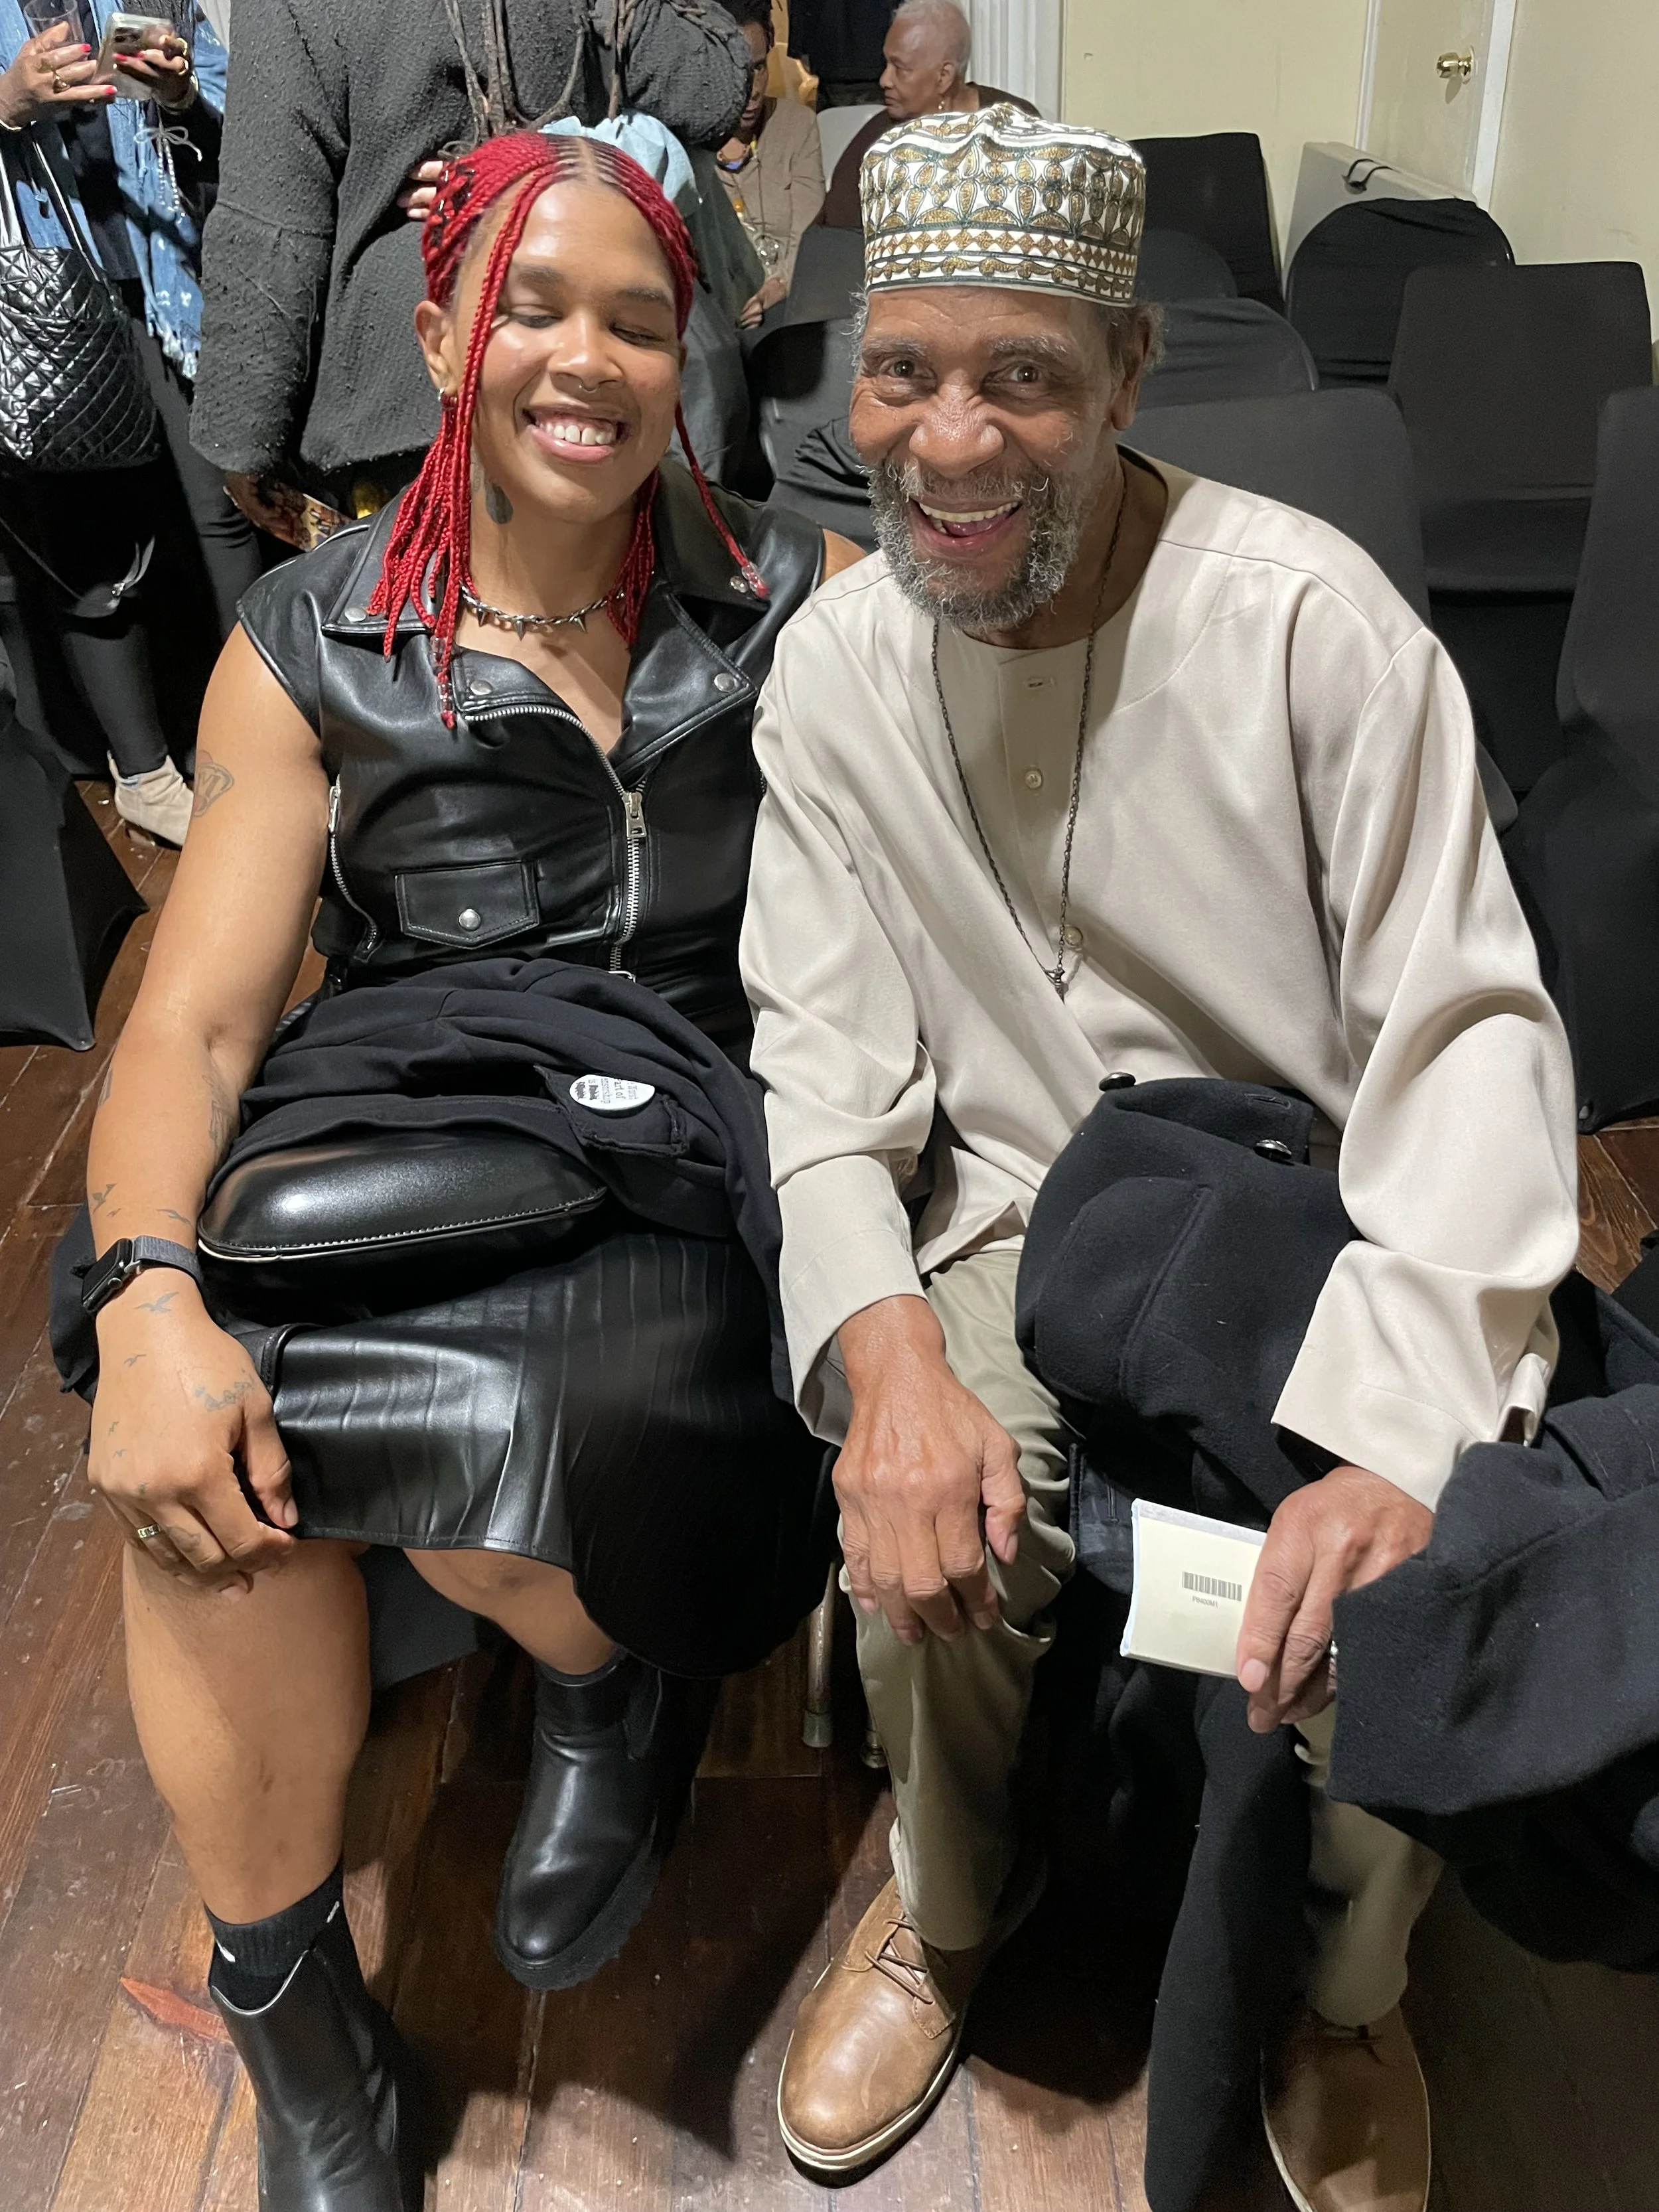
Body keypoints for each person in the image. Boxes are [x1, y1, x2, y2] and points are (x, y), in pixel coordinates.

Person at [741, 104, 1579, 2211]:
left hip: (1322, 1219)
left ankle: (1345, 1985)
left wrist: (1398, 1429)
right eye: (904, 371)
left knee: (1401, 1562)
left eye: (1019, 376)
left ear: (1124, 378)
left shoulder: (1308, 626)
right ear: (851, 384)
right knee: (931, 1491)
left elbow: (1464, 1039)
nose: (946, 440)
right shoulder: (829, 677)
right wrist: (881, 1350)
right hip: (1022, 1217)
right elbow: (821, 1077)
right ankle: (944, 1903)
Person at [79, 127, 862, 2205]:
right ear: (440, 330)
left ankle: (606, 1684)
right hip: (406, 1097)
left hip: (688, 1116)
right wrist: (148, 1290)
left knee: (563, 1421)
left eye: (634, 315)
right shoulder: (316, 636)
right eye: (531, 303)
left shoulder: (791, 602)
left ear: (686, 355)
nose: (581, 356)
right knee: (205, 1456)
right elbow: (199, 1019)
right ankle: (291, 2010)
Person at [190, 0, 757, 545]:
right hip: (584, 369)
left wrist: (244, 441)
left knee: (419, 625)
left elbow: (270, 227)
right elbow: (712, 90)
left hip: (405, 394)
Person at [0, 1, 258, 844]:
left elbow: (231, 109)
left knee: (225, 515)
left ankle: (268, 740)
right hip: (45, 306)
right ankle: (145, 774)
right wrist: (8, 102)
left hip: (170, 292)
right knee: (93, 549)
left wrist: (181, 91)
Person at [819, 0, 1035, 230]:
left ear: (944, 76)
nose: (884, 80)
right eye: (886, 63)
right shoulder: (878, 138)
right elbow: (839, 233)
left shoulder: (1014, 126)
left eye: (899, 69)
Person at [713, 0, 824, 328]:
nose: (753, 90)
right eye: (739, 72)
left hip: (786, 305)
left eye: (759, 68)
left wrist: (776, 288)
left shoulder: (796, 125)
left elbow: (806, 234)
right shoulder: (691, 144)